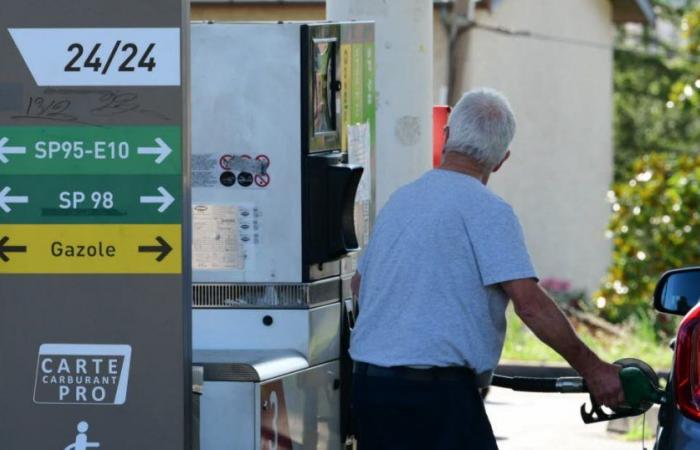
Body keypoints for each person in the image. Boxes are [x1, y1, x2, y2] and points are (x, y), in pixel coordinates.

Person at [349, 88, 624, 450]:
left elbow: (358, 285)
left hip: (371, 390)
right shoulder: (490, 211)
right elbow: (530, 304)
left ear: (446, 136)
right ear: (501, 160)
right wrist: (593, 368)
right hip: (435, 396)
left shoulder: (402, 199)